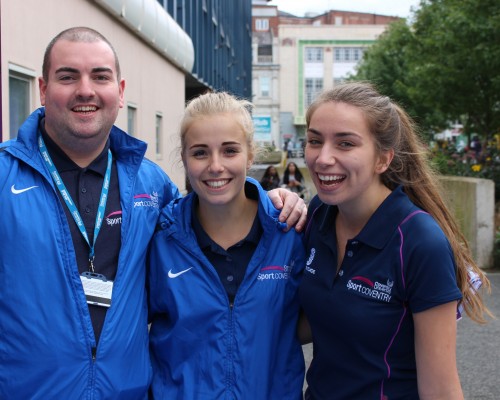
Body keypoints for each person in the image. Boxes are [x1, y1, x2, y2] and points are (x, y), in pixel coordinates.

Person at [0, 27, 306, 399]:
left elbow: (213, 209)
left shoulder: (151, 185)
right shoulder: (5, 176)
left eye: (100, 76)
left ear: (120, 90)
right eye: (67, 76)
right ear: (43, 89)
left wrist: (273, 199)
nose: (86, 90)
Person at [299, 82, 491, 400]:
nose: (322, 158)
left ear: (382, 159)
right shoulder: (320, 213)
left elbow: (441, 390)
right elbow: (309, 320)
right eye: (315, 141)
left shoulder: (419, 242)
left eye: (345, 144)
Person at [148, 92, 306, 399]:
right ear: (184, 158)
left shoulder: (290, 233)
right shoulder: (160, 238)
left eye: (230, 151)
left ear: (250, 155)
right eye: (200, 153)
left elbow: (321, 319)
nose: (216, 166)